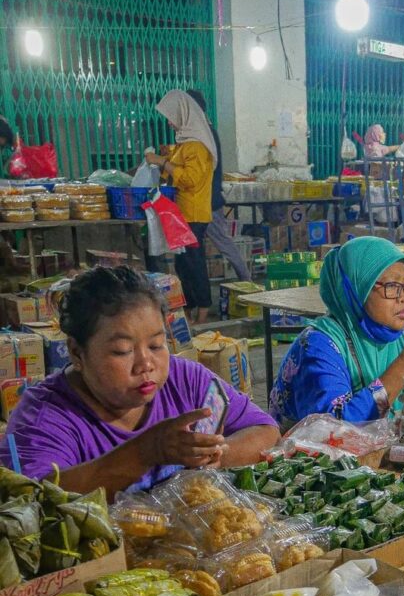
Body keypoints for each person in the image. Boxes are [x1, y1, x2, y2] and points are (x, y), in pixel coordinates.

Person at [0, 267, 280, 497]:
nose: (146, 364)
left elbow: (266, 430)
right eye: (122, 351)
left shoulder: (185, 380)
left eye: (157, 345)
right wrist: (146, 452)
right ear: (76, 352)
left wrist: (216, 455)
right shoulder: (43, 418)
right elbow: (34, 501)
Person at [270, 237, 404, 428]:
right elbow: (335, 428)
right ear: (356, 289)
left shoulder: (395, 338)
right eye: (392, 287)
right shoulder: (317, 346)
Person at [144, 90, 215, 324]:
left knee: (194, 262)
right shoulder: (186, 143)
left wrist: (162, 161)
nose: (169, 122)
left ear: (184, 114)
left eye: (171, 116)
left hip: (194, 213)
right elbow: (174, 172)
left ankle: (203, 309)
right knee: (184, 264)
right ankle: (191, 307)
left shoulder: (196, 145)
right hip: (182, 213)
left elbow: (190, 180)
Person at [186, 89, 251, 283]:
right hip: (206, 198)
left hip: (209, 200)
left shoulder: (204, 134)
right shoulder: (204, 131)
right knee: (218, 242)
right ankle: (246, 279)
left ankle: (247, 280)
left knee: (223, 241)